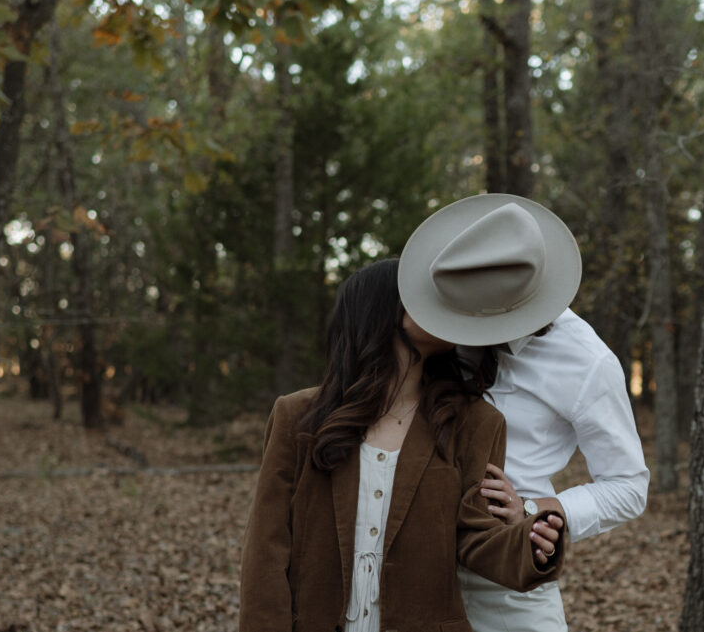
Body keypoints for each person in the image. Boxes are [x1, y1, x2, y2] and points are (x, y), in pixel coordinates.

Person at [239, 259, 565, 632]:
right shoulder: (296, 416)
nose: (443, 309)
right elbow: (266, 551)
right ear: (379, 309)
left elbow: (475, 541)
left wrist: (531, 543)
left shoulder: (476, 424)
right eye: (421, 298)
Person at [398, 194, 650, 632]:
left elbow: (629, 486)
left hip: (506, 582)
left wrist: (537, 508)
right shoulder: (432, 316)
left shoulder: (587, 361)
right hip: (410, 566)